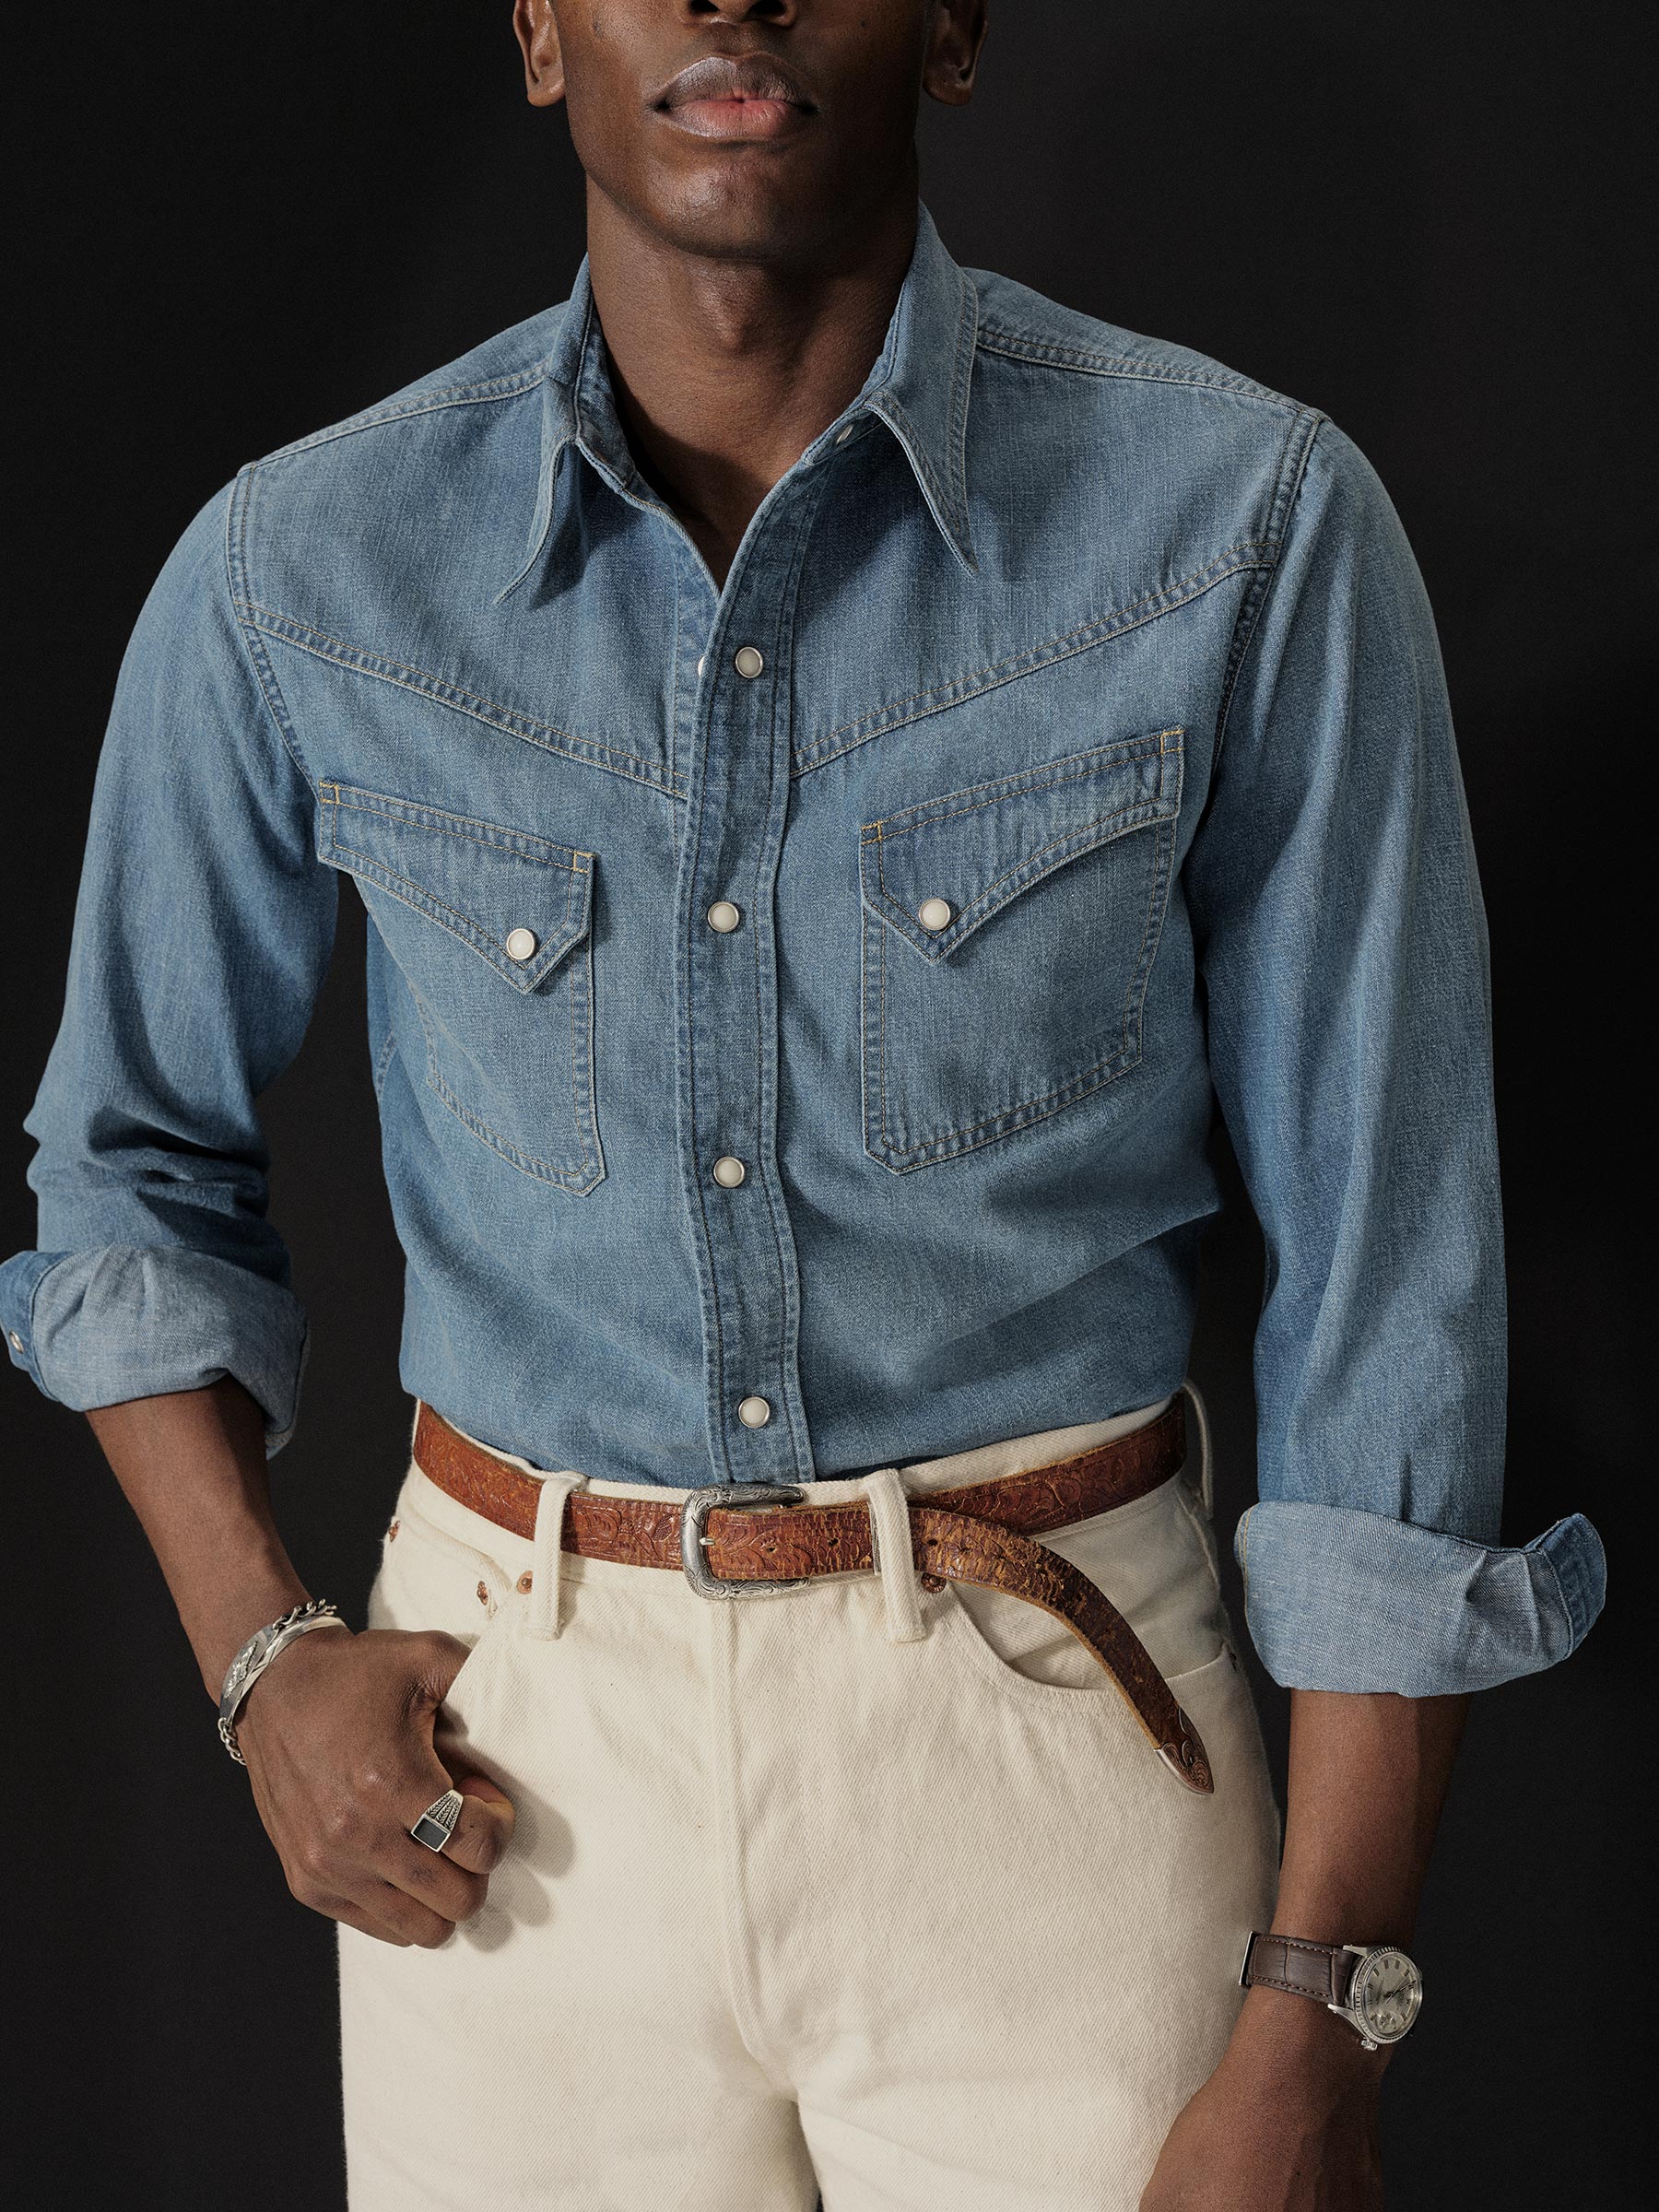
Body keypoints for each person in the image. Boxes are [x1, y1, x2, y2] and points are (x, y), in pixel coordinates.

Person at [0, 4, 1606, 2206]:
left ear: (953, 27)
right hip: (517, 1773)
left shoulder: (1246, 528)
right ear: (538, 31)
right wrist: (261, 1655)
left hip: (1059, 1751)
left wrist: (1329, 1998)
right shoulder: (304, 569)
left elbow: (1390, 1277)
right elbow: (123, 1168)